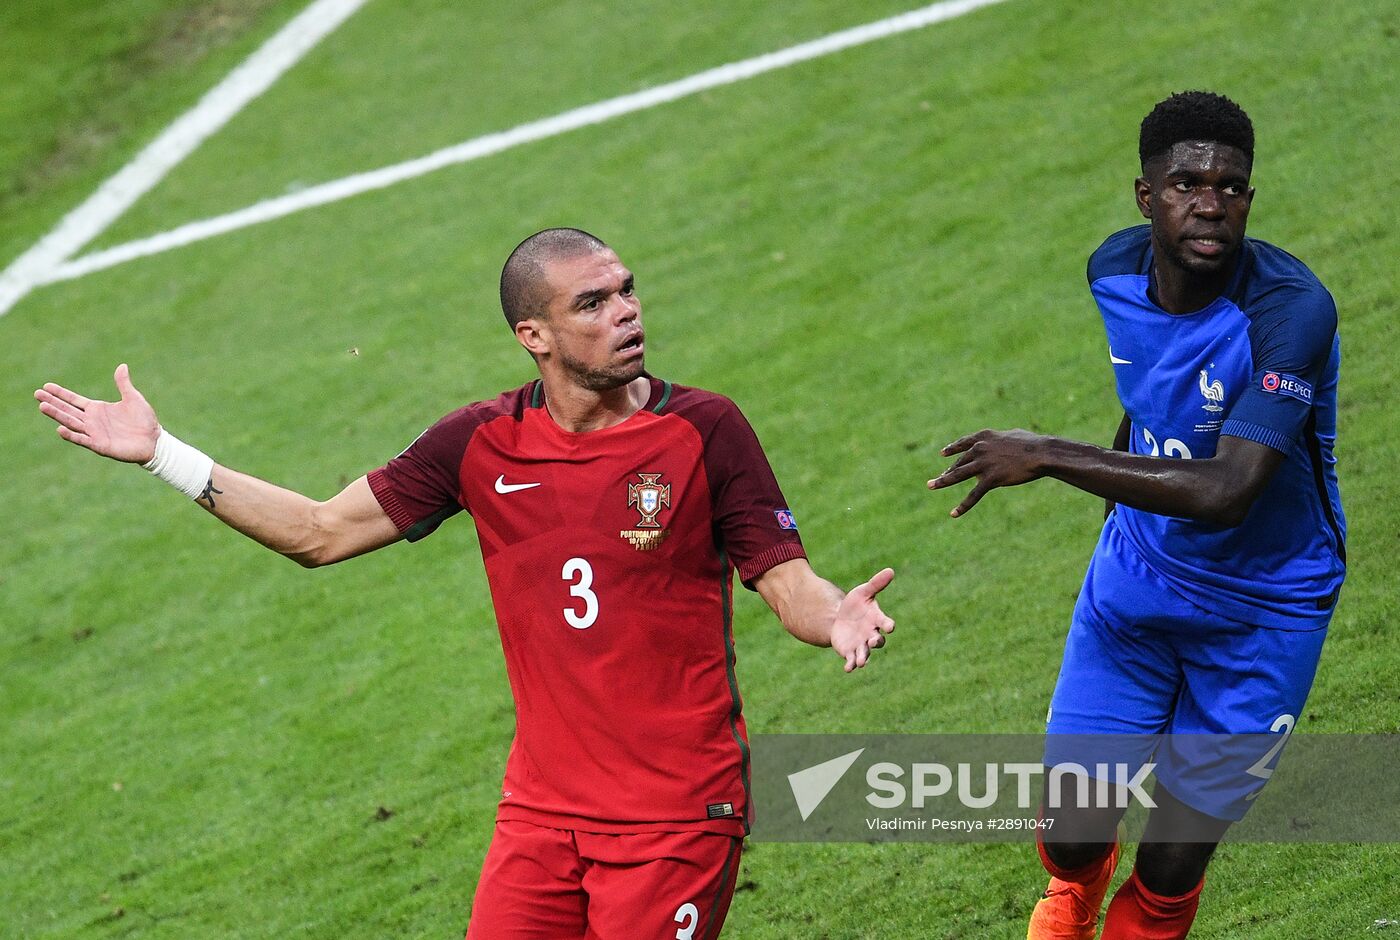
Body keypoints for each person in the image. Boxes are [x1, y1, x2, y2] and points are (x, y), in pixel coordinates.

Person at [35, 227, 897, 939]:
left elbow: (788, 584)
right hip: (541, 817)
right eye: (592, 304)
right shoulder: (479, 443)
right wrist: (162, 455)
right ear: (536, 336)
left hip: (673, 815)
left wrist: (836, 619)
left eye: (627, 290)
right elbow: (319, 532)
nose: (626, 312)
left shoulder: (704, 430)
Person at [929, 91, 1344, 939]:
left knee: (1173, 863)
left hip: (1266, 613)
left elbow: (1231, 490)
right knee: (1071, 830)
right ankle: (1077, 890)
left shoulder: (1290, 312)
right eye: (1187, 183)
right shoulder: (1112, 272)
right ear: (1145, 195)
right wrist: (1121, 514)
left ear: (1250, 202)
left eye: (1231, 188)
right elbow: (1149, 400)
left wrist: (1048, 453)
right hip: (1137, 586)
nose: (1211, 204)